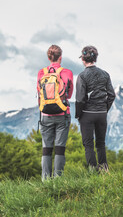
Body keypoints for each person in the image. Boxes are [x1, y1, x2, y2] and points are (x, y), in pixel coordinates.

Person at [75, 46, 115, 171]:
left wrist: (78, 114)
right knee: (101, 143)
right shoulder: (105, 74)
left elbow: (80, 99)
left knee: (88, 145)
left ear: (83, 59)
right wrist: (105, 109)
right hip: (102, 113)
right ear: (95, 58)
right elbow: (111, 95)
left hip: (87, 114)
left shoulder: (82, 76)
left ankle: (93, 171)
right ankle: (104, 169)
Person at [37, 45, 73, 179]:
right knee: (60, 148)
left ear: (48, 57)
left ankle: (45, 180)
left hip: (45, 115)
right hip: (62, 114)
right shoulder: (67, 72)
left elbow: (39, 94)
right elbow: (68, 95)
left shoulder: (42, 73)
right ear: (60, 58)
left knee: (46, 149)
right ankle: (58, 179)